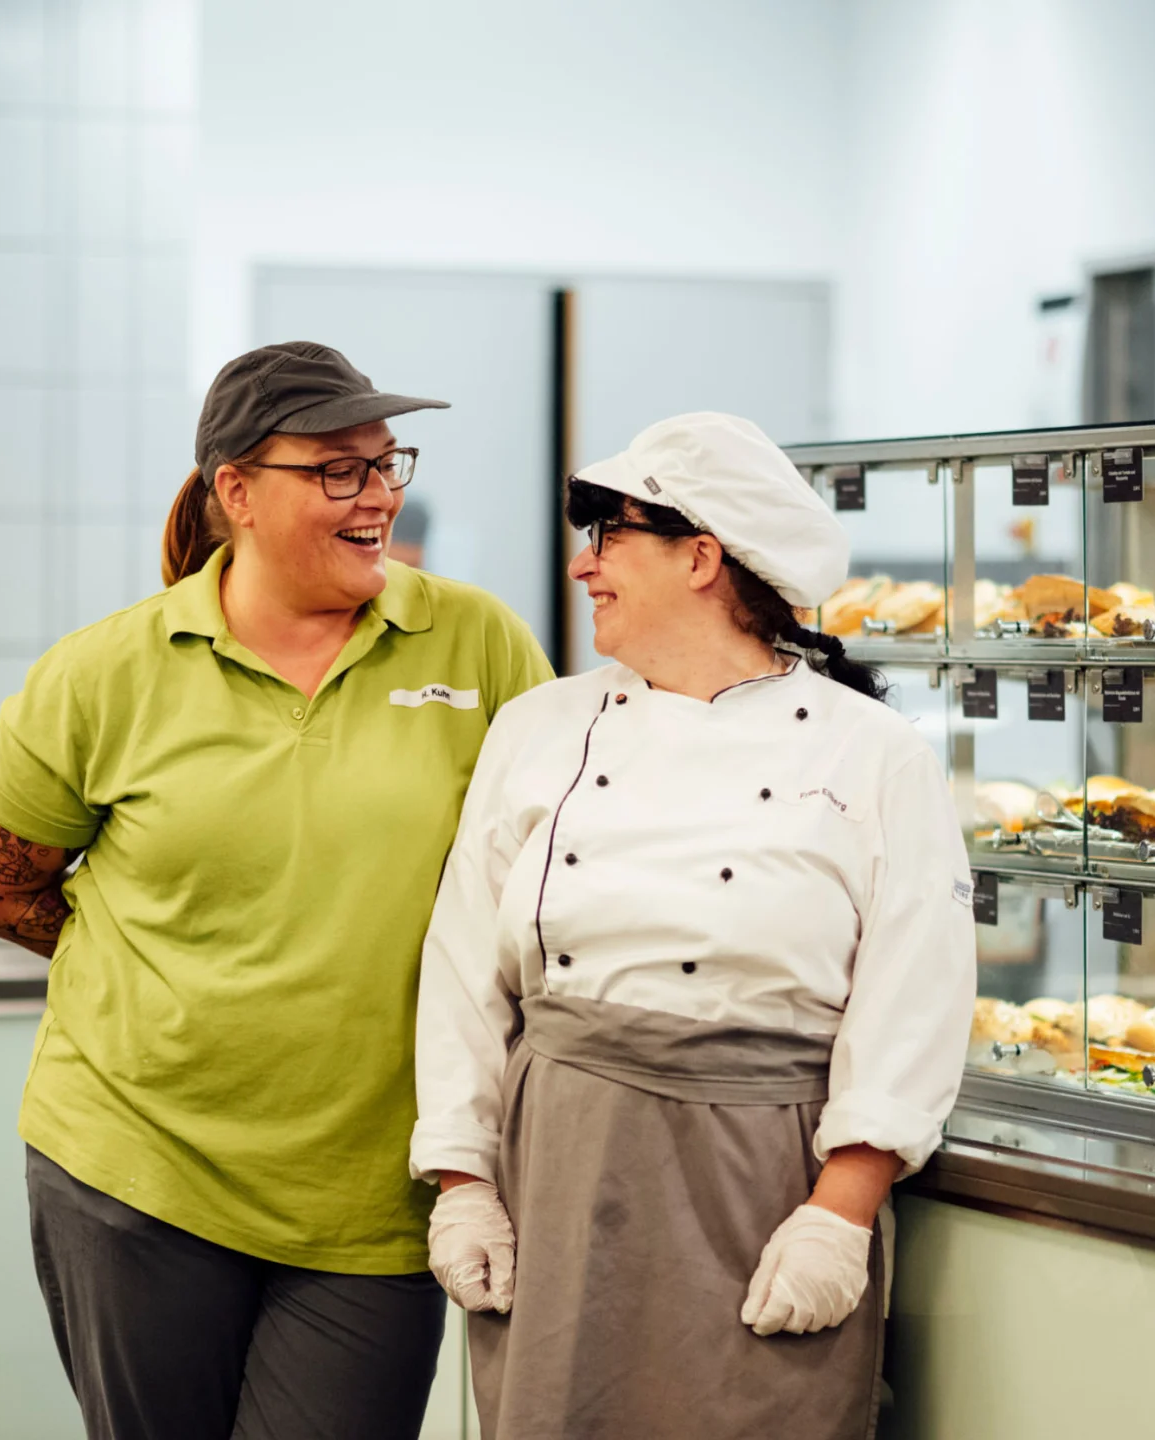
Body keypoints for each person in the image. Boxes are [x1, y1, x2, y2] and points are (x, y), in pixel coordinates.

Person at [0, 341, 553, 1440]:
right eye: (337, 470)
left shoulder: (480, 643)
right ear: (237, 491)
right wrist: (157, 970)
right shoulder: (108, 672)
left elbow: (557, 867)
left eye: (384, 464)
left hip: (375, 1195)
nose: (377, 496)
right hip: (135, 1171)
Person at [410, 412, 976, 1439]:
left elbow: (915, 995)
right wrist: (461, 1179)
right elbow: (461, 972)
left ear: (701, 556)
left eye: (610, 539)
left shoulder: (875, 754)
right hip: (561, 1174)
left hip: (758, 1183)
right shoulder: (539, 728)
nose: (584, 568)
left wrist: (840, 1217)